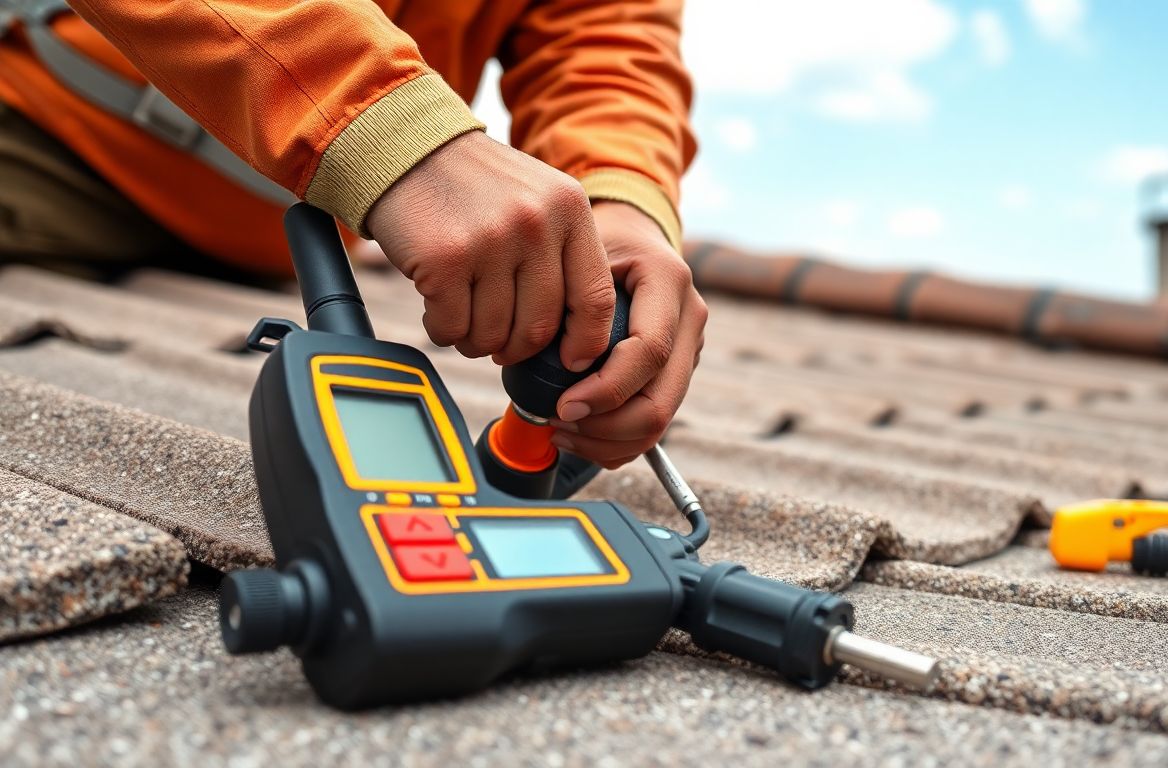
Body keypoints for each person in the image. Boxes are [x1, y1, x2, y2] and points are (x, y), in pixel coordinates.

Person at [0, 0, 706, 469]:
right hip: (52, 134)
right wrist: (392, 132)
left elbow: (606, 47)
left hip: (271, 240)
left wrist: (621, 198)